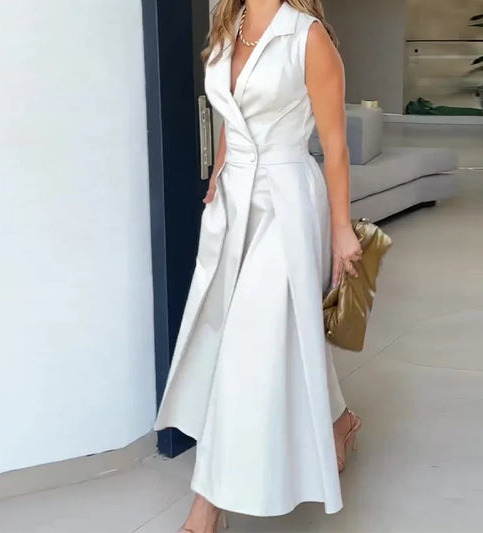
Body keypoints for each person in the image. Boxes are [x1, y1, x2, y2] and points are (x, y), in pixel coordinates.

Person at [154, 1, 363, 531]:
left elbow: (335, 144)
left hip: (286, 204)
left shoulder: (309, 37)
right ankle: (340, 421)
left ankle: (206, 509)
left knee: (249, 346)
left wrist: (342, 228)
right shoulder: (229, 25)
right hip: (233, 201)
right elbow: (232, 110)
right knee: (277, 332)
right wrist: (220, 170)